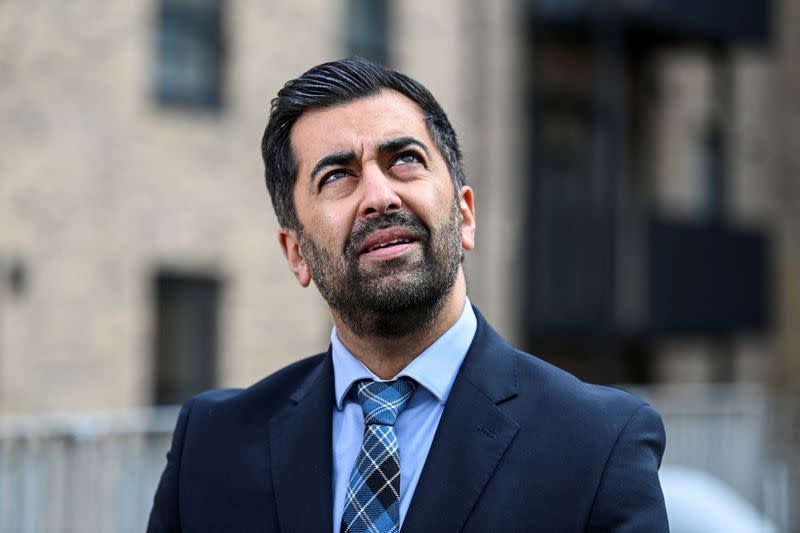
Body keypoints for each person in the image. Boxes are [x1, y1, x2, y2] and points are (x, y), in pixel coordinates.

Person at [147, 57, 669, 533]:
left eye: (404, 160)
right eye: (337, 176)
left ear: (464, 215)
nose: (378, 196)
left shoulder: (599, 444)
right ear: (296, 252)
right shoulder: (210, 447)